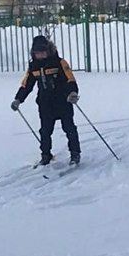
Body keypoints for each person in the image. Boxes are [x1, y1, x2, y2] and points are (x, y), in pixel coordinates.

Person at [11, 35, 82, 166]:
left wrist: (72, 92)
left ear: (48, 50)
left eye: (43, 52)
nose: (41, 55)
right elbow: (27, 85)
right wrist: (18, 99)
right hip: (45, 104)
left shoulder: (59, 62)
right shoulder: (33, 67)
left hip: (63, 101)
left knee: (69, 128)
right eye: (37, 53)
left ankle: (75, 153)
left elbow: (70, 79)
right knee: (45, 131)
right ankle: (45, 155)